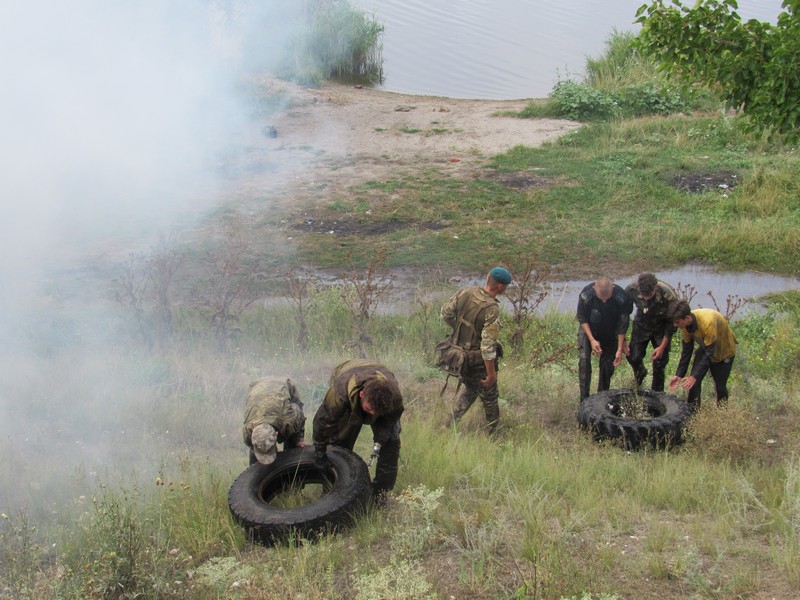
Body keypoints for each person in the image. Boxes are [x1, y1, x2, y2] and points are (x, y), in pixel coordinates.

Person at [313, 359, 404, 501]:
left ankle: (380, 494)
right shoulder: (340, 393)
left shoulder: (394, 397)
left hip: (379, 378)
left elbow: (390, 420)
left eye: (377, 411)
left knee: (391, 443)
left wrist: (380, 440)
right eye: (369, 409)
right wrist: (319, 450)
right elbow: (323, 421)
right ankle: (331, 491)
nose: (372, 414)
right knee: (339, 443)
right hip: (347, 372)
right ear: (362, 395)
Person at [441, 266, 510, 434]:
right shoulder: (491, 309)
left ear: (488, 278)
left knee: (471, 389)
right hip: (478, 360)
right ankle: (493, 434)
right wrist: (491, 374)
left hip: (459, 356)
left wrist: (458, 330)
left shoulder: (465, 292)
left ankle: (447, 424)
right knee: (490, 398)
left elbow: (445, 314)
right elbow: (487, 347)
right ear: (500, 287)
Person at [667, 300, 737, 411]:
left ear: (687, 318)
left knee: (720, 386)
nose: (675, 325)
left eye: (677, 322)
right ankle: (692, 413)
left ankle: (722, 415)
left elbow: (710, 353)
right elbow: (687, 351)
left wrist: (694, 376)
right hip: (706, 347)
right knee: (693, 384)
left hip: (723, 351)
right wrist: (679, 375)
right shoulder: (684, 325)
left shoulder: (707, 322)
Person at [576, 277, 633, 401]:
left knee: (607, 366)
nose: (604, 300)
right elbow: (582, 318)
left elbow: (623, 324)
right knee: (584, 362)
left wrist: (619, 349)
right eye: (601, 298)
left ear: (612, 288)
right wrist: (591, 340)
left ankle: (601, 399)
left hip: (611, 332)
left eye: (607, 297)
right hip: (589, 330)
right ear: (594, 289)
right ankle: (583, 400)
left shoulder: (621, 297)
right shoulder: (586, 295)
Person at [624, 272, 678, 391]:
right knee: (633, 356)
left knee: (659, 362)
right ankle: (640, 373)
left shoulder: (668, 295)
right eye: (644, 295)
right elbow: (623, 314)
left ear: (656, 287)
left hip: (661, 326)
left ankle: (657, 393)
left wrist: (662, 347)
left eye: (650, 294)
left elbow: (672, 324)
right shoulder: (631, 290)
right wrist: (623, 340)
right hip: (642, 323)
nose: (647, 298)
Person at [242, 377, 307, 465]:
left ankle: (291, 470)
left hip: (283, 384)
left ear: (276, 434)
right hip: (256, 386)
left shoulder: (287, 421)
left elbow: (299, 412)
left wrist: (298, 439)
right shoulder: (248, 432)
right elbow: (253, 448)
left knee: (292, 439)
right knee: (255, 454)